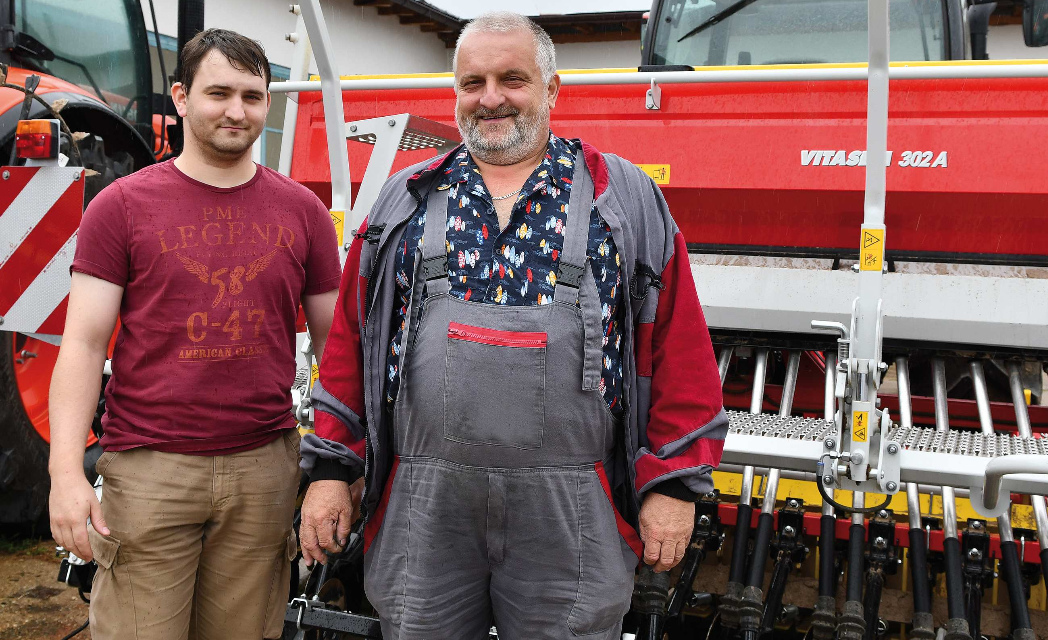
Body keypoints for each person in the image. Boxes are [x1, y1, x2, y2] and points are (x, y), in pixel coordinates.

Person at [299, 11, 726, 639]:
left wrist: (675, 482)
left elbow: (680, 348)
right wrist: (333, 470)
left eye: (512, 78)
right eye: (473, 83)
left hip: (572, 508)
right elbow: (349, 348)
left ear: (552, 90)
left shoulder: (623, 199)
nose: (490, 98)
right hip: (426, 506)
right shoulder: (405, 200)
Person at [47, 29, 341, 640]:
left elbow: (338, 347)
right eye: (219, 93)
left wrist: (340, 466)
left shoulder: (304, 212)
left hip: (263, 471)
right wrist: (66, 475)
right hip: (150, 471)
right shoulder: (121, 206)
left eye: (254, 96)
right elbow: (81, 344)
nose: (238, 111)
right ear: (181, 97)